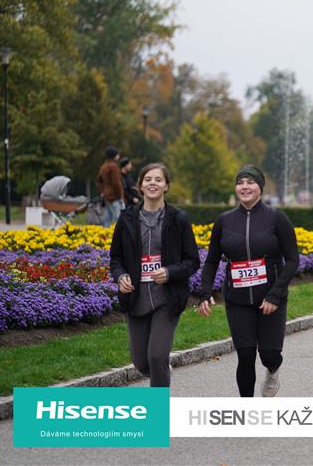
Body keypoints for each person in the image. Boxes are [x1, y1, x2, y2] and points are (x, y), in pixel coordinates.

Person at [197, 165, 299, 397]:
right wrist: (205, 292)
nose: (244, 187)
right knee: (245, 355)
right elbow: (211, 260)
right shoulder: (224, 221)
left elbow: (293, 260)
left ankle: (273, 370)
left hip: (270, 299)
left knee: (269, 355)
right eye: (240, 183)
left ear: (260, 187)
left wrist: (275, 294)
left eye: (250, 182)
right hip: (238, 299)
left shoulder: (277, 218)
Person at [109, 163, 200, 387]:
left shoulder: (178, 219)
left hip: (166, 298)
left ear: (166, 186)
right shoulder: (126, 218)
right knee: (141, 362)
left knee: (157, 356)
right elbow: (115, 258)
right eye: (148, 179)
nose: (153, 183)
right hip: (136, 298)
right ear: (140, 186)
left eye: (158, 179)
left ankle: (158, 405)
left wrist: (169, 272)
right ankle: (161, 371)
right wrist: (121, 277)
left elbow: (192, 261)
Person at [95, 147, 124, 227]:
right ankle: (116, 235)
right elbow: (116, 183)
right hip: (115, 196)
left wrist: (103, 191)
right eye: (117, 154)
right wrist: (120, 196)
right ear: (114, 155)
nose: (119, 156)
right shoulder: (113, 166)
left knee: (107, 219)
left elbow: (98, 181)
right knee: (118, 219)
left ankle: (106, 233)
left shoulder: (104, 166)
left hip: (106, 195)